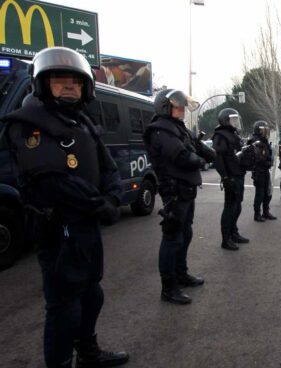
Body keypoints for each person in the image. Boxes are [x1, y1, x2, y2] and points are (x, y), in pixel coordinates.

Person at [1, 47, 129, 368]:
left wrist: (113, 198)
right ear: (43, 85)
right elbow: (50, 179)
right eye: (59, 80)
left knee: (92, 296)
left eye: (75, 81)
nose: (69, 86)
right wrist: (100, 204)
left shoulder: (81, 122)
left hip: (86, 228)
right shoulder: (27, 124)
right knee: (64, 308)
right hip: (58, 231)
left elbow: (109, 167)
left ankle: (88, 352)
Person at [143, 88, 216, 305]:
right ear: (165, 107)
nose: (183, 110)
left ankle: (181, 274)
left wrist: (216, 156)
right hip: (173, 192)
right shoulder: (160, 130)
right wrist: (203, 161)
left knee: (185, 233)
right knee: (172, 238)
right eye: (178, 106)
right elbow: (182, 156)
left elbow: (198, 145)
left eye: (183, 106)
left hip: (186, 190)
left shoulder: (178, 128)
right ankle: (168, 287)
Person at [212, 108, 249, 251]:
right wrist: (225, 177)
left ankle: (234, 233)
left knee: (237, 206)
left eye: (236, 119)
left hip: (238, 175)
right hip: (231, 177)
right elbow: (218, 159)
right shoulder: (220, 135)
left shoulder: (234, 135)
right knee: (230, 208)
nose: (236, 122)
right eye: (233, 120)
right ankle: (225, 239)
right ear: (225, 120)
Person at [248, 121, 277, 222]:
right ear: (258, 130)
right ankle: (257, 214)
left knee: (267, 192)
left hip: (265, 170)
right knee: (259, 193)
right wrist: (267, 160)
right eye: (263, 130)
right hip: (258, 171)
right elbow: (258, 157)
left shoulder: (264, 140)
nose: (265, 132)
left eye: (266, 130)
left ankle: (266, 211)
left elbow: (267, 154)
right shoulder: (254, 141)